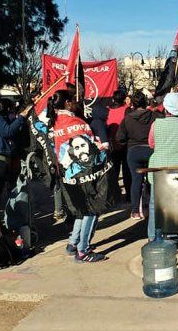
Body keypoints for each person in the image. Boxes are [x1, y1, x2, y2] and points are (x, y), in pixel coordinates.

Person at [48, 90, 108, 263]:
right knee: (92, 209)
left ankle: (73, 243)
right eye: (73, 100)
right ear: (67, 103)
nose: (77, 102)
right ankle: (83, 250)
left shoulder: (56, 121)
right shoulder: (76, 122)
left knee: (82, 209)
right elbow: (91, 146)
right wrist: (102, 146)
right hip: (84, 172)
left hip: (67, 173)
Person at [146, 92, 178, 240]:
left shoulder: (156, 124)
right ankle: (175, 234)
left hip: (158, 167)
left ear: (166, 108)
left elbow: (151, 144)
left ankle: (153, 236)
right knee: (177, 201)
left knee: (154, 203)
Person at [116, 91, 159, 220]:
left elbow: (120, 138)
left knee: (136, 180)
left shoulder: (127, 118)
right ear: (146, 102)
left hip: (134, 151)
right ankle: (154, 207)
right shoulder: (154, 116)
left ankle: (135, 210)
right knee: (152, 180)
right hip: (151, 150)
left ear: (133, 104)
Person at [106, 89, 131, 206]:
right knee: (126, 171)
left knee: (114, 171)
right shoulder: (127, 110)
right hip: (125, 144)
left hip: (112, 144)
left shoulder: (108, 110)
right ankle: (129, 196)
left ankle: (114, 196)